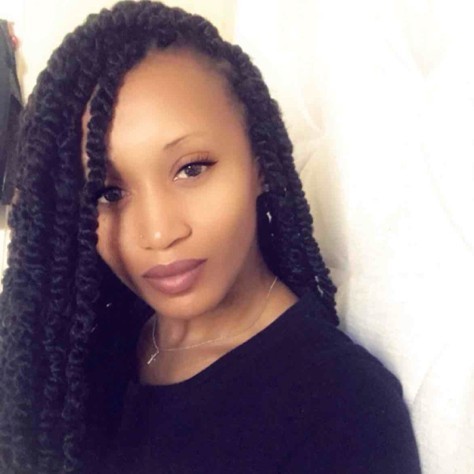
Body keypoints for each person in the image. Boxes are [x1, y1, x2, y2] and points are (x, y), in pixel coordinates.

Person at [0, 1, 421, 473]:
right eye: (108, 192)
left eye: (191, 169)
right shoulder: (83, 347)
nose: (158, 232)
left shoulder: (343, 409)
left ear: (260, 162)